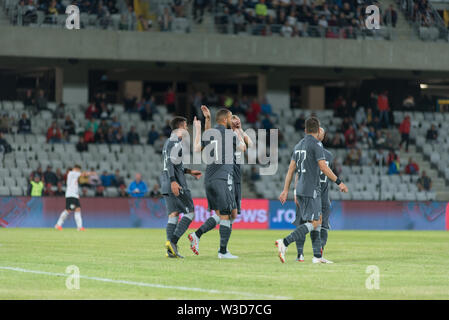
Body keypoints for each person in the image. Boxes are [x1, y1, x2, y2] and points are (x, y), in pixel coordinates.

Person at [277, 117, 348, 264]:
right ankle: (285, 242)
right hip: (311, 189)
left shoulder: (298, 145)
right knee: (315, 222)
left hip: (301, 188)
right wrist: (339, 182)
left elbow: (290, 170)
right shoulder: (316, 145)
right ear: (317, 130)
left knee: (317, 221)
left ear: (305, 130)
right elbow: (323, 167)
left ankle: (317, 256)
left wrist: (285, 190)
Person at [189, 108, 244, 259]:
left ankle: (196, 235)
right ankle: (223, 251)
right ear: (226, 120)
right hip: (222, 178)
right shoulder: (230, 135)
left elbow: (197, 148)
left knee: (228, 213)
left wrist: (205, 122)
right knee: (227, 214)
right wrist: (238, 129)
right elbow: (243, 147)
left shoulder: (212, 133)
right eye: (231, 117)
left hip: (210, 180)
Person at [162, 117, 202, 259]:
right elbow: (170, 163)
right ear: (180, 127)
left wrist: (190, 171)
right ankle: (173, 242)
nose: (187, 129)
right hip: (176, 183)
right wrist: (174, 181)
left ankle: (170, 251)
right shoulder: (176, 142)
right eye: (185, 126)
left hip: (165, 183)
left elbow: (174, 164)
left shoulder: (168, 142)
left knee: (173, 214)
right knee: (190, 212)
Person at [295, 127, 333, 262]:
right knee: (305, 222)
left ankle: (318, 254)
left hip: (320, 193)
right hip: (308, 191)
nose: (320, 134)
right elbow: (298, 173)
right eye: (319, 131)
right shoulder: (307, 150)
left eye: (322, 132)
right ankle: (299, 253)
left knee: (322, 224)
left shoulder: (328, 155)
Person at [54, 165, 94, 231]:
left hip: (75, 195)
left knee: (78, 209)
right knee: (68, 210)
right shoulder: (72, 173)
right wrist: (92, 173)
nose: (79, 171)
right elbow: (83, 174)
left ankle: (79, 227)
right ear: (75, 169)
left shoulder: (74, 175)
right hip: (71, 195)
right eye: (78, 170)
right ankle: (58, 225)